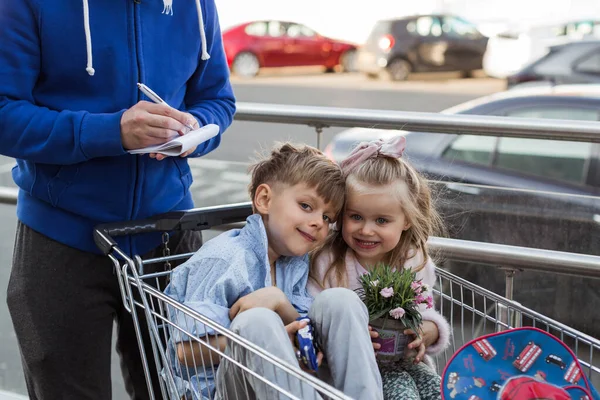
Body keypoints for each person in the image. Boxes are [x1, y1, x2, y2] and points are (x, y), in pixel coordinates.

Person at [0, 0, 236, 398]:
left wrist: (193, 131)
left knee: (179, 392)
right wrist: (111, 131)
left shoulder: (196, 5)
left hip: (168, 241)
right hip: (61, 239)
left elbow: (218, 99)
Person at [164, 143, 383, 400]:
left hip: (286, 384)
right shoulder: (224, 259)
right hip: (222, 390)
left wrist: (289, 312)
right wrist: (271, 339)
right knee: (257, 321)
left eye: (327, 218)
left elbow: (296, 328)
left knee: (340, 300)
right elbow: (185, 350)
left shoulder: (294, 263)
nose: (317, 223)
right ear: (265, 200)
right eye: (306, 206)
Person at [308, 136, 451, 400]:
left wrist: (429, 332)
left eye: (382, 220)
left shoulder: (412, 259)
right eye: (356, 217)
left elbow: (425, 308)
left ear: (407, 220)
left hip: (406, 363)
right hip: (349, 373)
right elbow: (312, 315)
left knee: (440, 391)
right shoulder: (329, 263)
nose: (366, 229)